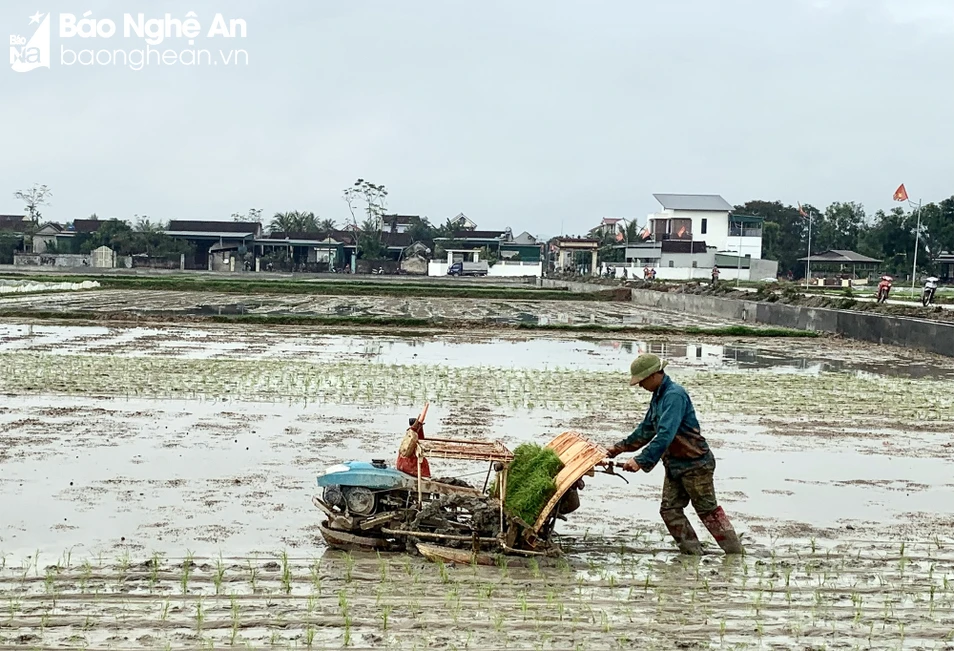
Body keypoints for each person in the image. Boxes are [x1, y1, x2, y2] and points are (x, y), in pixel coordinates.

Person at [605, 353, 743, 555]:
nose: (641, 386)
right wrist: (618, 448)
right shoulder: (659, 396)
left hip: (695, 464)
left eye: (642, 381)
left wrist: (641, 461)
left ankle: (735, 554)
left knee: (708, 511)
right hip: (675, 464)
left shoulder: (674, 396)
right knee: (669, 510)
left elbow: (666, 434)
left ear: (654, 375)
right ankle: (692, 553)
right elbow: (646, 429)